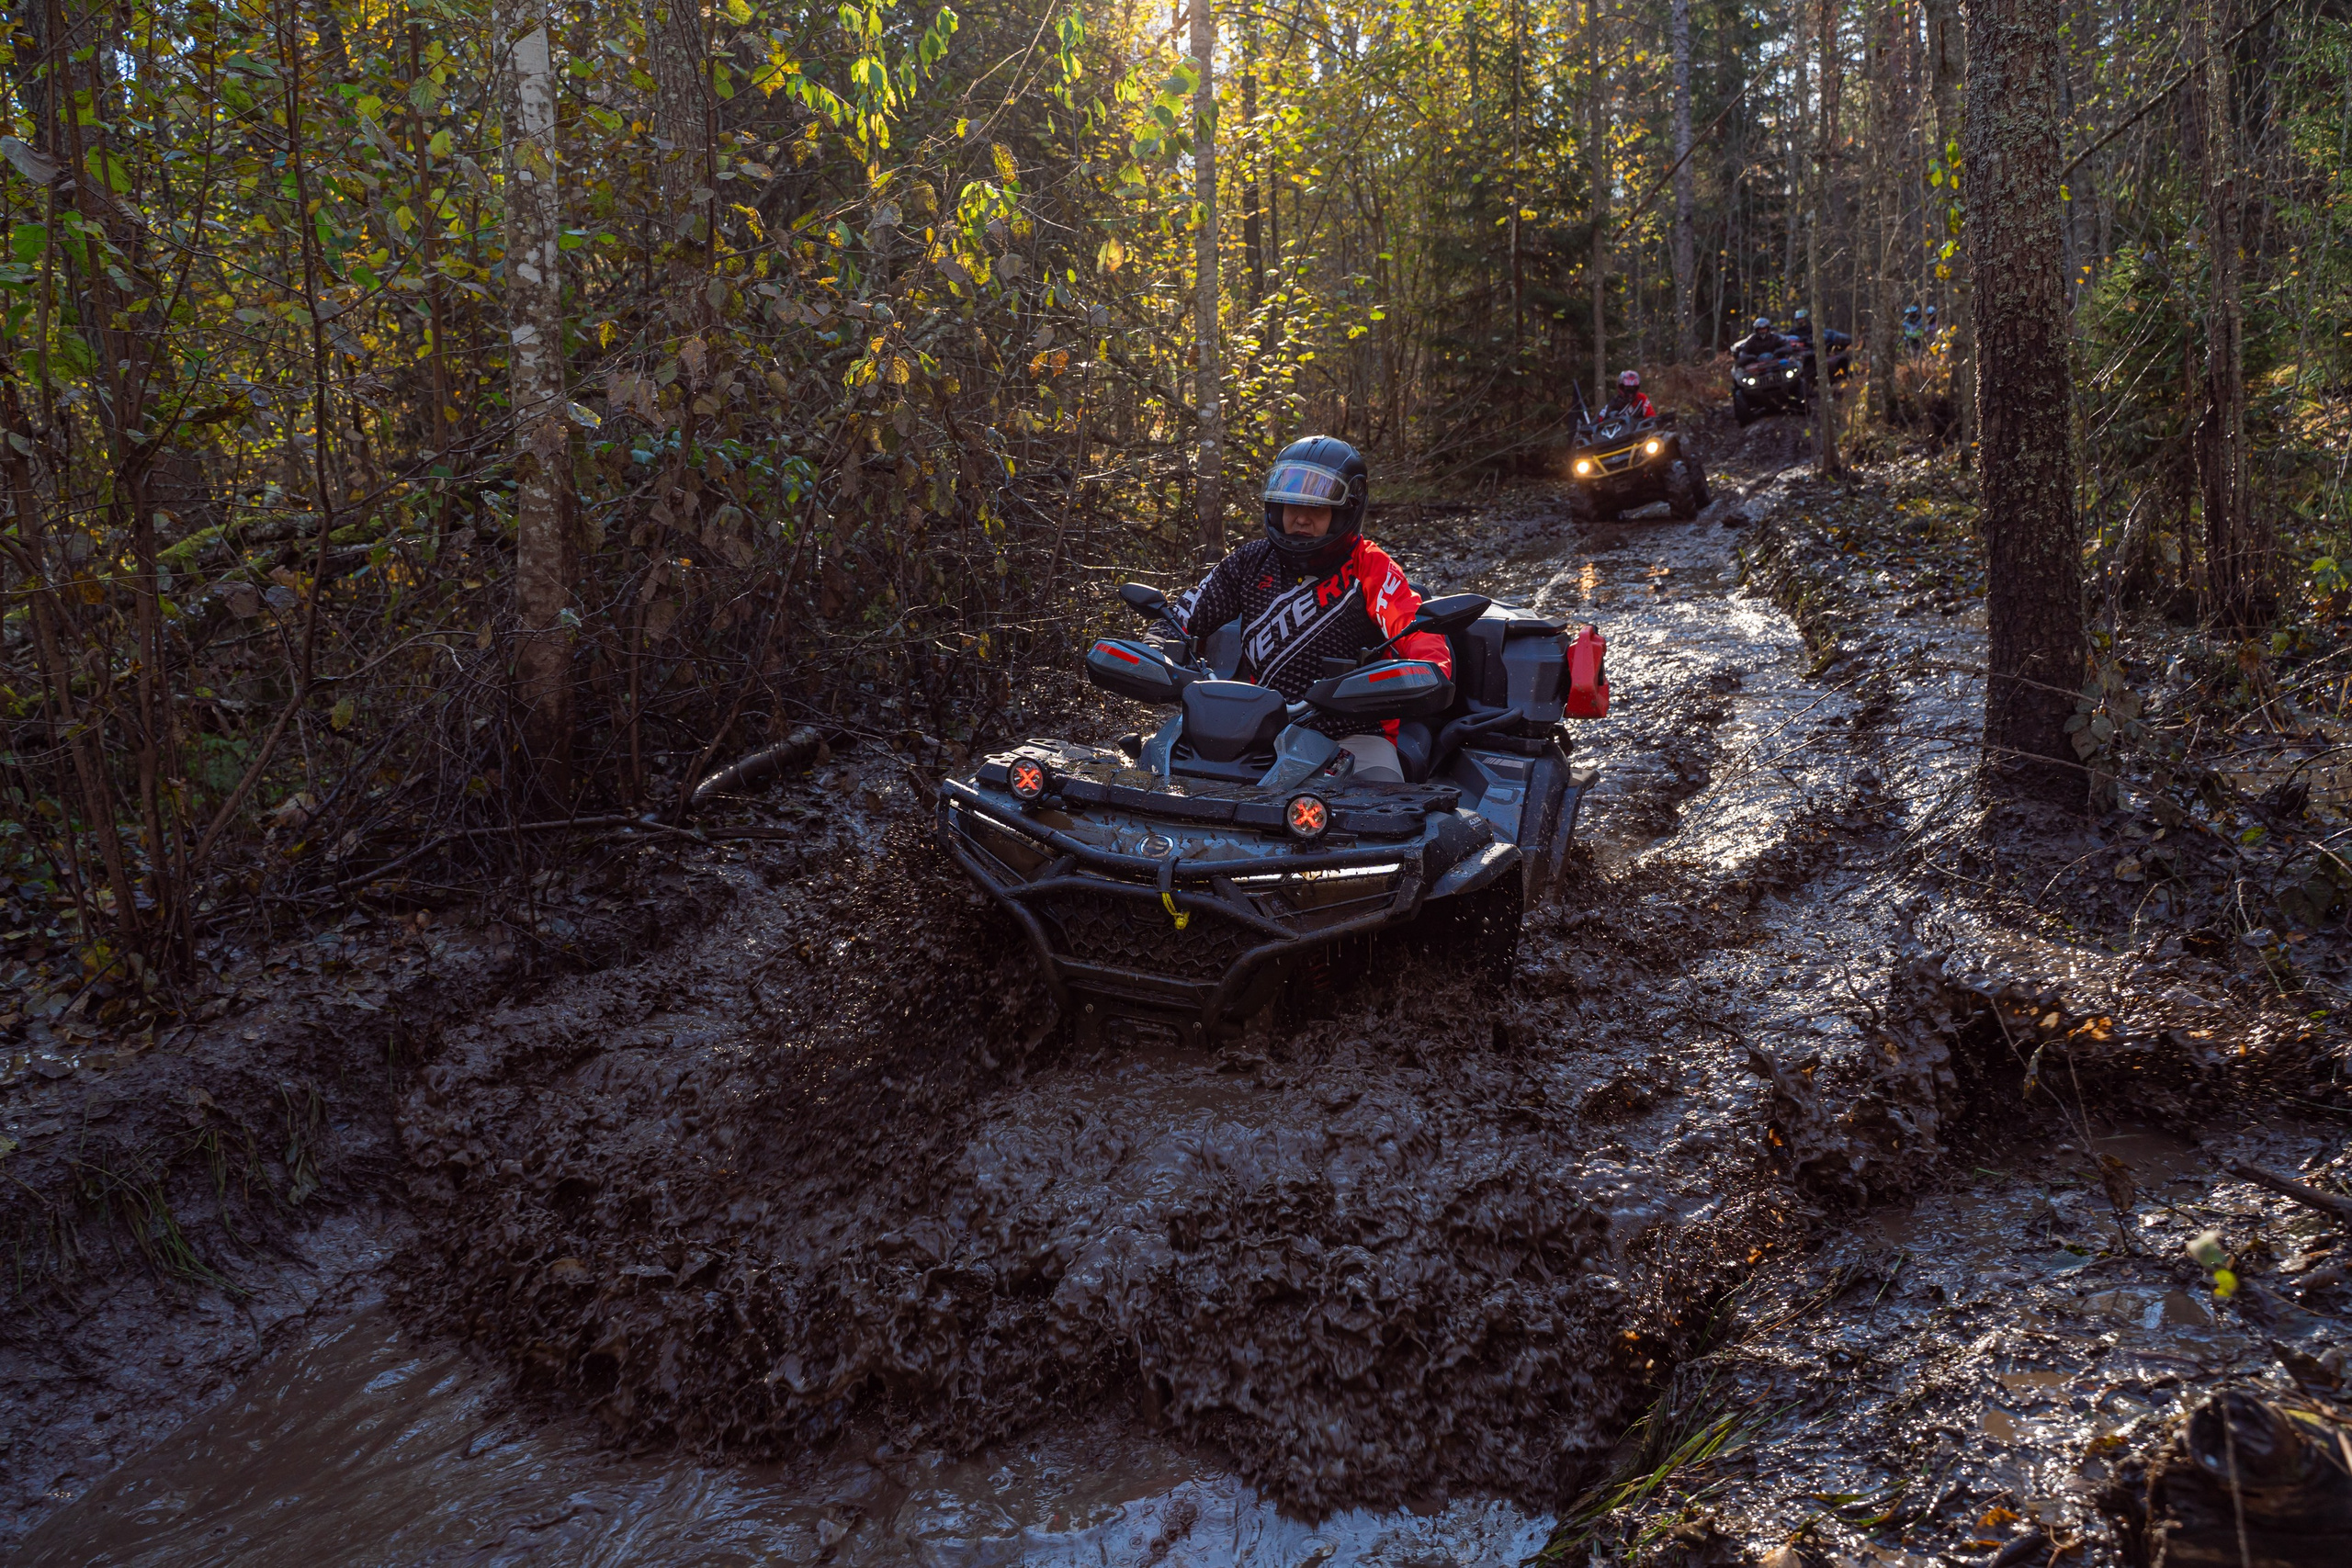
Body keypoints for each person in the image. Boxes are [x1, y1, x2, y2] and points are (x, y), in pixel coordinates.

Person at [1169, 436, 1451, 783]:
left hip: (1352, 736)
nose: (1301, 519)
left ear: (1344, 512)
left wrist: (1429, 671)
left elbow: (1416, 630)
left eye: (1316, 509)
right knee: (1168, 775)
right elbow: (1183, 616)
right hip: (1260, 728)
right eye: (1291, 507)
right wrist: (1156, 648)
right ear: (1275, 508)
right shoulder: (1250, 562)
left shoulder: (1371, 566)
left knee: (1381, 795)